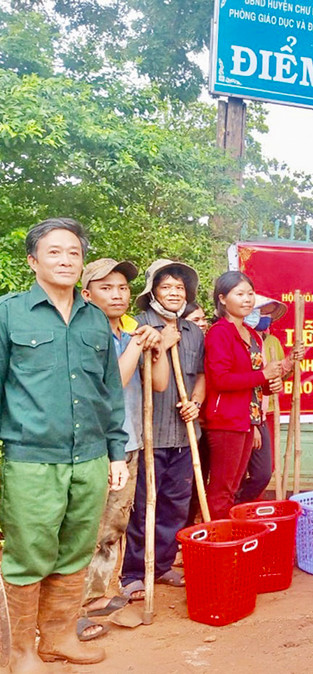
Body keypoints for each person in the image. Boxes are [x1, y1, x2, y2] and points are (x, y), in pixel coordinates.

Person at [0, 218, 128, 669]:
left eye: (74, 252)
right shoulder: (8, 313)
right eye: (54, 251)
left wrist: (116, 453)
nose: (66, 259)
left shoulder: (96, 319)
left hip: (90, 458)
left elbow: (110, 393)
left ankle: (58, 639)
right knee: (28, 556)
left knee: (75, 550)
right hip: (31, 460)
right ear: (34, 260)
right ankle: (20, 653)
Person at [79, 259, 173, 639]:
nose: (117, 294)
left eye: (122, 287)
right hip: (96, 447)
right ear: (86, 295)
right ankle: (74, 606)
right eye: (106, 287)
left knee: (113, 526)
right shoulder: (85, 332)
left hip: (130, 441)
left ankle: (99, 594)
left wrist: (159, 347)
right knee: (86, 529)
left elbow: (161, 384)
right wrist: (138, 343)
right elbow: (112, 383)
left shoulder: (133, 329)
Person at [121, 259, 206, 600]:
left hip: (185, 435)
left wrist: (195, 402)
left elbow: (201, 375)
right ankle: (134, 573)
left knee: (175, 504)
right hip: (148, 434)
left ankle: (164, 564)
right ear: (153, 291)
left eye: (179, 288)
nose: (173, 293)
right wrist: (162, 343)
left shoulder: (195, 331)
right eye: (166, 286)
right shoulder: (139, 326)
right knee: (143, 507)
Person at [204, 272, 287, 519]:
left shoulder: (251, 334)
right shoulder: (220, 332)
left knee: (236, 483)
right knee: (223, 488)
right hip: (226, 419)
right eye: (239, 294)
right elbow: (220, 379)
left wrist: (272, 384)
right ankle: (215, 541)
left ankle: (228, 535)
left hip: (248, 418)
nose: (247, 299)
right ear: (222, 298)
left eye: (250, 293)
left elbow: (255, 382)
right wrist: (262, 376)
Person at [235, 293, 299, 504]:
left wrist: (289, 362)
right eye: (260, 312)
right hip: (244, 412)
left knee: (263, 470)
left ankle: (246, 506)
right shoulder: (236, 339)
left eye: (266, 314)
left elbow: (279, 374)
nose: (264, 317)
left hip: (266, 410)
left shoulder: (271, 341)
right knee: (239, 468)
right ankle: (232, 510)